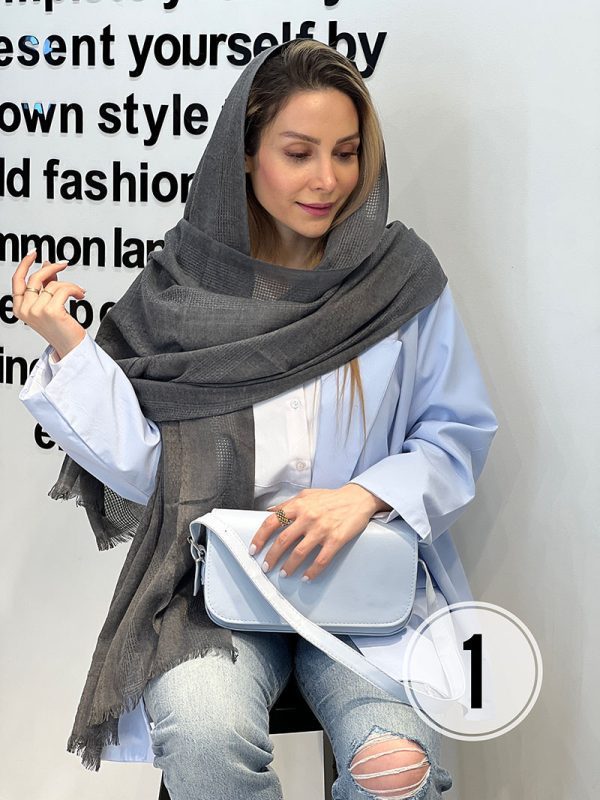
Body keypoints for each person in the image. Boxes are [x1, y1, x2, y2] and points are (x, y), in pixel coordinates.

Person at [15, 39, 498, 800]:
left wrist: (363, 497)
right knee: (205, 742)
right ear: (244, 156)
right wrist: (71, 348)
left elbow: (454, 433)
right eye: (298, 153)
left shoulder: (398, 280)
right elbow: (152, 475)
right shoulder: (181, 287)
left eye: (346, 153)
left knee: (395, 771)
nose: (327, 179)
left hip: (366, 595)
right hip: (213, 598)